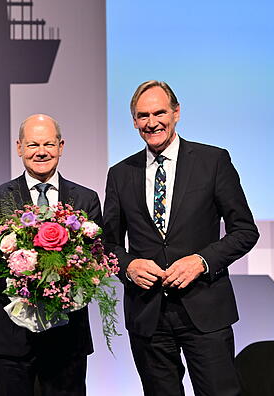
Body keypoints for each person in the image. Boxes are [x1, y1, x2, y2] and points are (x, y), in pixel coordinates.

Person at [103, 81, 259, 396]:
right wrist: (129, 266)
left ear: (176, 113)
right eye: (142, 115)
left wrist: (202, 261)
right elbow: (107, 245)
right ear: (134, 121)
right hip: (148, 315)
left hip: (205, 310)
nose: (151, 122)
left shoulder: (212, 161)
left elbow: (245, 231)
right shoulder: (120, 173)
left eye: (159, 112)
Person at [0, 114, 101, 396]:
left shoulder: (86, 198)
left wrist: (62, 289)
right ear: (19, 147)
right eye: (33, 144)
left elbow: (95, 262)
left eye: (48, 143)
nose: (41, 152)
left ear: (61, 146)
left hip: (67, 337)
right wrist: (29, 289)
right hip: (11, 339)